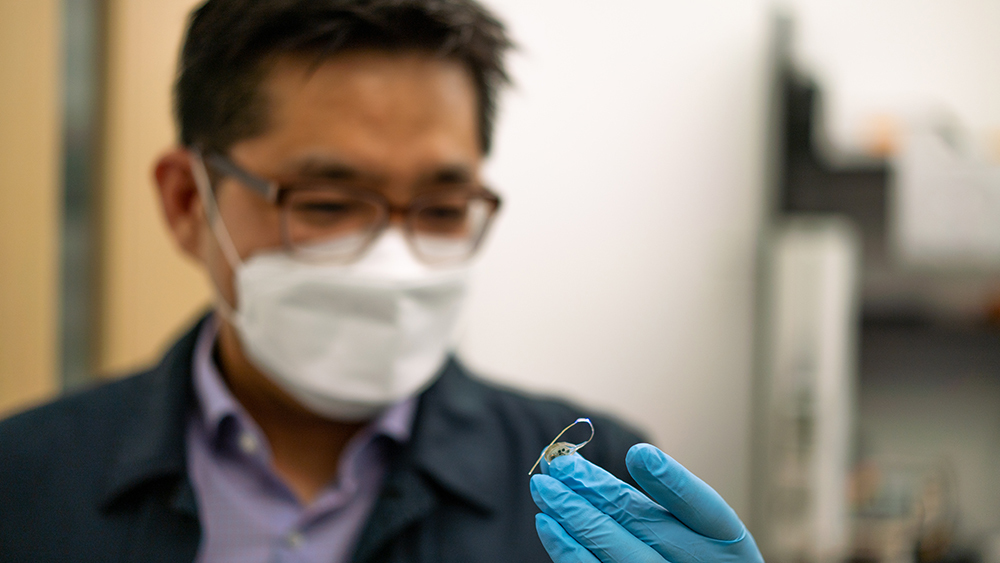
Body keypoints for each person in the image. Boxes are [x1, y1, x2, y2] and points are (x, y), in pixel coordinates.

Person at [0, 1, 765, 562]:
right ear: (184, 202)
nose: (392, 261)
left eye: (441, 207)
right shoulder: (25, 484)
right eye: (329, 203)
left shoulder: (590, 485)